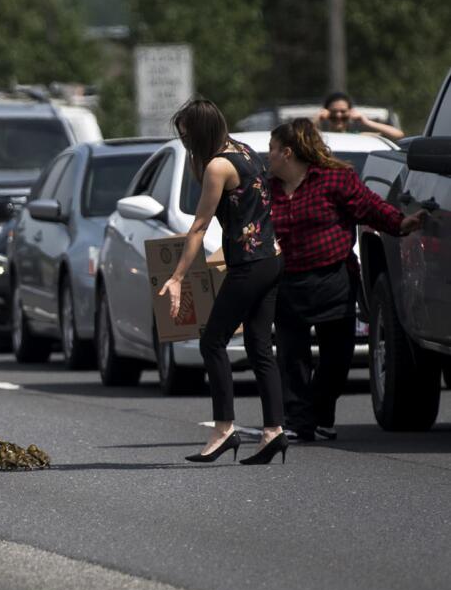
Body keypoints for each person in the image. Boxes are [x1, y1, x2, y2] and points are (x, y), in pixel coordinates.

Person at [268, 119, 425, 441]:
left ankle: (320, 412)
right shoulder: (267, 189)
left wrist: (401, 223)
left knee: (337, 358)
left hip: (332, 278)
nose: (267, 157)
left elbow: (370, 207)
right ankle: (299, 422)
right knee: (291, 358)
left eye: (271, 150)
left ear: (287, 152)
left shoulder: (335, 180)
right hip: (286, 284)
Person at [158, 98, 288, 465]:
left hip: (249, 265)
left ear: (200, 134)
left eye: (186, 137)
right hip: (272, 258)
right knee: (260, 346)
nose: (185, 144)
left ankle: (223, 429)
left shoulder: (217, 166)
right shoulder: (242, 149)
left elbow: (199, 226)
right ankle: (273, 432)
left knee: (212, 341)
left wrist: (178, 277)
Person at [317, 92, 404, 141]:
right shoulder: (319, 137)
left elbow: (397, 135)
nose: (338, 115)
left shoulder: (359, 137)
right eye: (333, 112)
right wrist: (317, 119)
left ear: (350, 112)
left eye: (343, 112)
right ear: (326, 112)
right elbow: (303, 136)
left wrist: (366, 122)